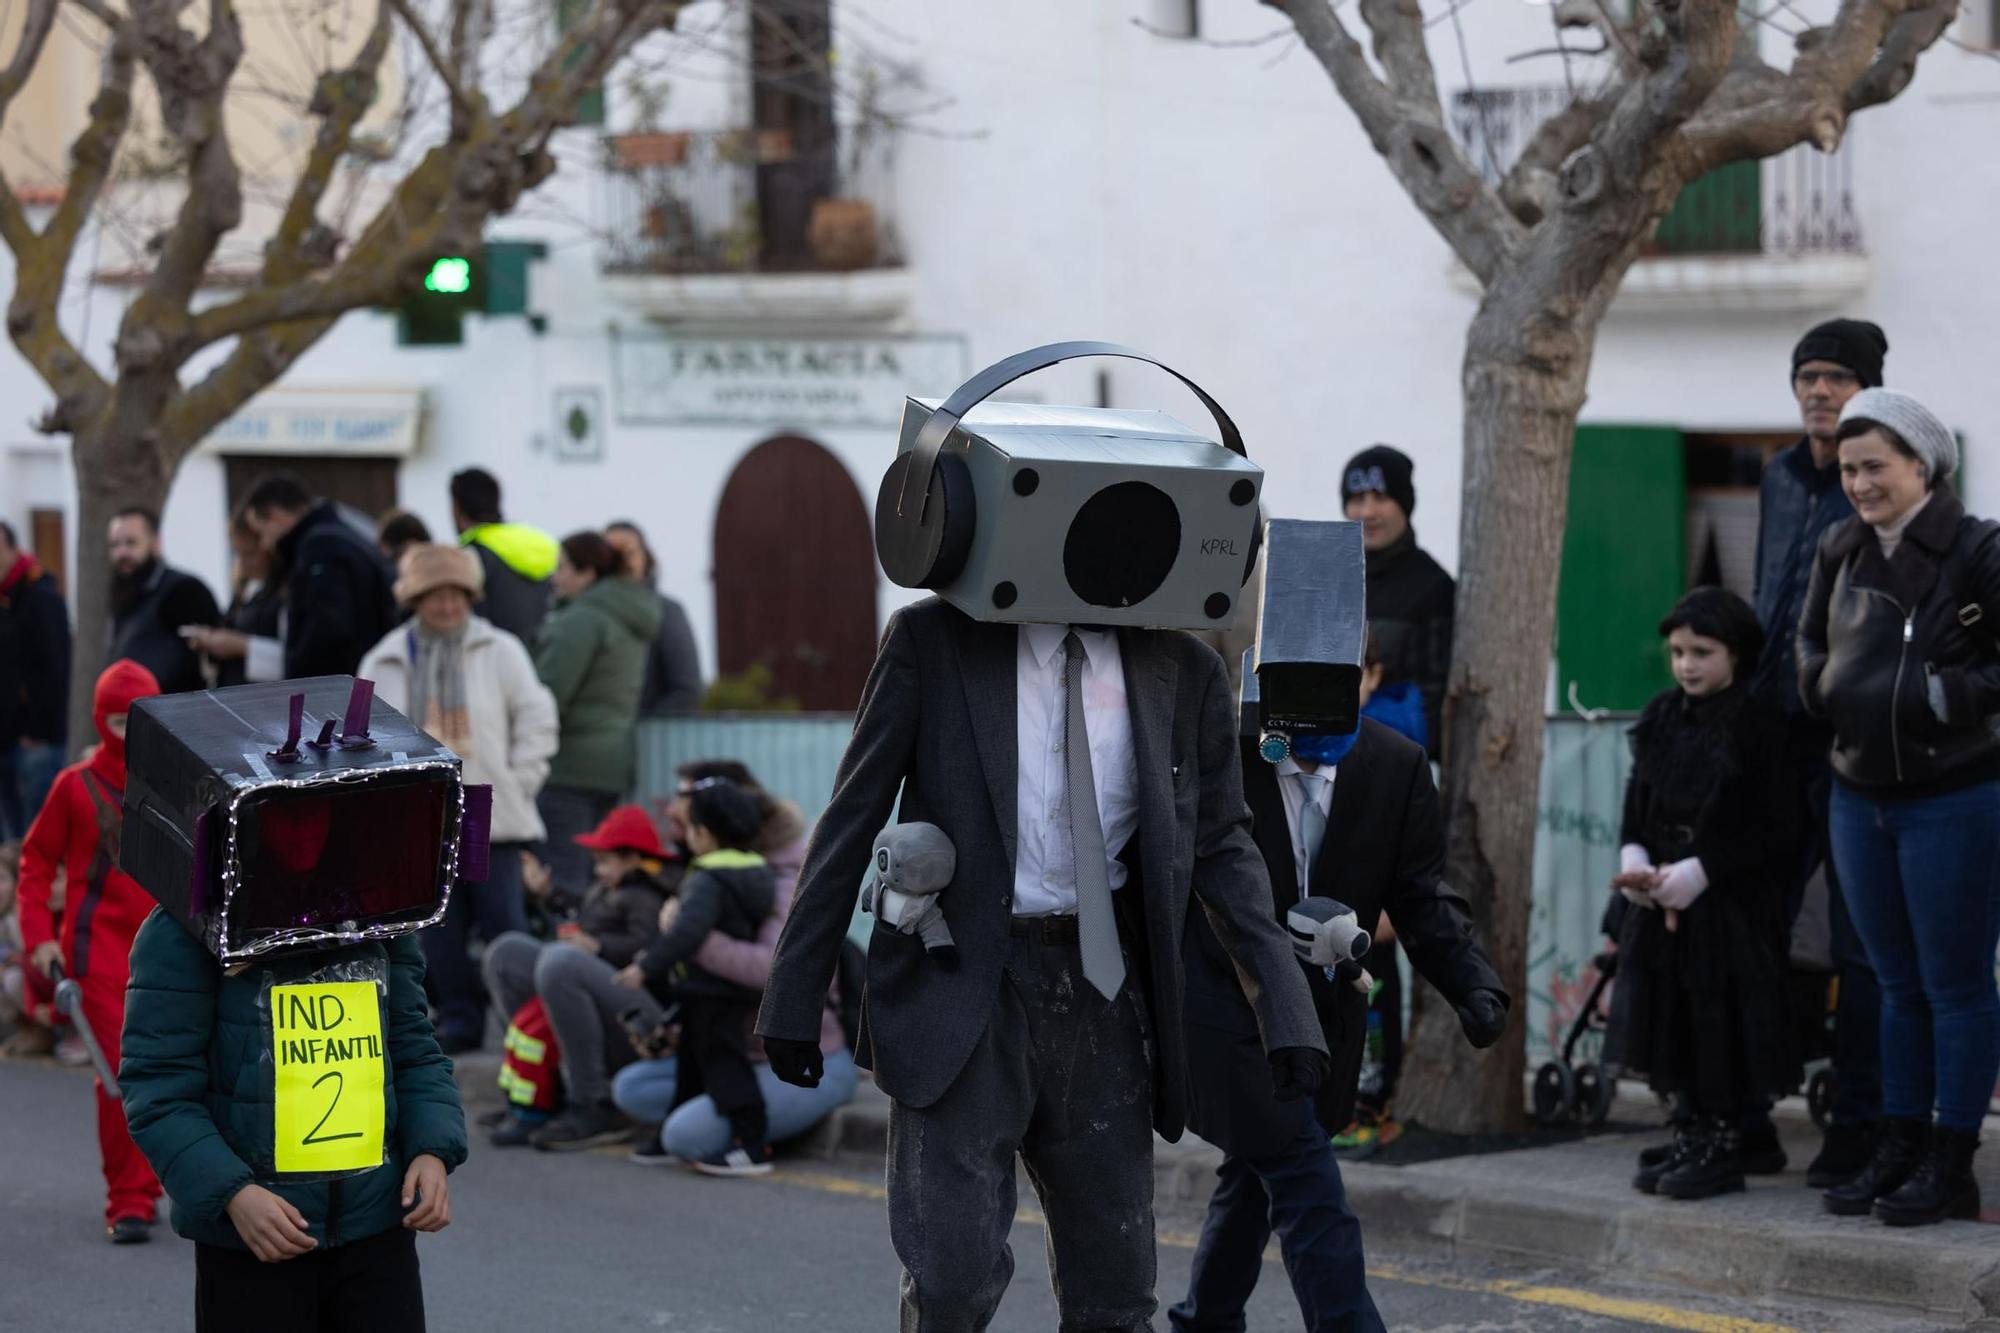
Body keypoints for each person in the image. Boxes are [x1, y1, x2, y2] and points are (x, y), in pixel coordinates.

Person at [756, 601, 1326, 1330]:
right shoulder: (935, 639)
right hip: (957, 983)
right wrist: (796, 995)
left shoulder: (1183, 667)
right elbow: (852, 811)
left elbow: (1222, 845)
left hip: (1102, 989)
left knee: (1116, 1294)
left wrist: (1285, 1008)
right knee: (951, 1282)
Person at [1173, 631, 1506, 1332]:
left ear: (1369, 676)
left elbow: (1419, 892)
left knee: (1256, 1180)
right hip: (1228, 1010)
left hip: (1324, 1017)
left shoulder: (1397, 763)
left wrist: (1472, 982)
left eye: (1338, 677)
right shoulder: (1224, 753)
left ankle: (1204, 1320)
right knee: (1304, 1177)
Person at [1799, 388, 2000, 1228]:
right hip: (1858, 793)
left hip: (1953, 792)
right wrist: (1823, 687)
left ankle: (1952, 1159)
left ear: (1922, 463)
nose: (1858, 482)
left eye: (1874, 465)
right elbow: (1808, 642)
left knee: (1953, 985)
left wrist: (1940, 698)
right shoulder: (1838, 546)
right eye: (1847, 467)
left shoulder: (1980, 548)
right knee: (1888, 982)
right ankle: (1899, 1141)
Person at [1750, 316, 1889, 1190]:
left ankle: (1864, 1123)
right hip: (1767, 737)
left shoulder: (1875, 487)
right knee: (1755, 925)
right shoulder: (1776, 476)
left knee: (1859, 940)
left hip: (1847, 743)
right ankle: (1745, 1109)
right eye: (1807, 375)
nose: (1817, 390)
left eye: (1836, 376)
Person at [1607, 589, 1799, 1201]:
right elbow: (1639, 800)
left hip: (1729, 903)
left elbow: (1781, 826)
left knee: (1719, 1019)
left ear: (1736, 655)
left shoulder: (1758, 723)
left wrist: (1703, 871)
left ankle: (1724, 1135)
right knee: (1673, 1014)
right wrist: (1635, 859)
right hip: (1664, 895)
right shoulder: (1663, 715)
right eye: (1679, 651)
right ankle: (1695, 1123)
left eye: (1703, 652)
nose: (1687, 664)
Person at [360, 545, 560, 1054]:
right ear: (415, 599)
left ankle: (530, 1025)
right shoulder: (384, 658)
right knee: (438, 933)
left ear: (470, 596)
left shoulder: (501, 649)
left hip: (491, 809)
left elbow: (537, 717)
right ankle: (460, 1021)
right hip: (420, 818)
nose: (447, 607)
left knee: (505, 924)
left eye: (455, 596)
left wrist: (521, 779)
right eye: (434, 597)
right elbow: (362, 734)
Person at [16, 660, 166, 1242]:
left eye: (140, 720)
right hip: (97, 953)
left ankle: (152, 1182)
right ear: (100, 720)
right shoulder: (73, 786)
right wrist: (39, 940)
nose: (128, 733)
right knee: (118, 1074)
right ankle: (127, 1197)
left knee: (170, 1071)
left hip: (166, 949)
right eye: (116, 721)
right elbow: (34, 865)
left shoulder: (178, 781)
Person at [612, 779, 777, 1174]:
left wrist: (645, 967)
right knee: (693, 1065)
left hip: (710, 989)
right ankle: (670, 1131)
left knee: (723, 1065)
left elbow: (687, 932)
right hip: (722, 989)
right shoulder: (756, 869)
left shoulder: (707, 877)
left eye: (690, 829)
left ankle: (751, 1144)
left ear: (704, 833)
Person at [483, 804, 670, 1150]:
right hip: (608, 1001)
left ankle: (593, 1103)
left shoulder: (647, 896)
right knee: (506, 953)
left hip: (644, 1019)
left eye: (604, 862)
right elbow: (584, 912)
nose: (597, 870)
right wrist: (545, 894)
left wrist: (598, 947)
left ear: (632, 859)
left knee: (561, 961)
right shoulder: (607, 890)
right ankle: (541, 1088)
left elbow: (651, 949)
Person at [532, 531, 661, 899]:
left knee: (565, 880)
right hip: (613, 763)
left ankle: (564, 949)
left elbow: (548, 698)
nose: (555, 578)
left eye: (563, 568)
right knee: (601, 874)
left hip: (568, 765)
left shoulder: (581, 620)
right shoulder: (629, 616)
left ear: (588, 573)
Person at [1340, 444, 1453, 757]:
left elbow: (1435, 695)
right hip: (1325, 755)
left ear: (1404, 504)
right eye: (1357, 499)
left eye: (1381, 497)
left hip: (1393, 756)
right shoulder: (1331, 578)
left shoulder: (1433, 586)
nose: (1367, 512)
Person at [239, 475, 397, 679]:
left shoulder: (319, 549)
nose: (265, 544)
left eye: (262, 532)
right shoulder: (341, 534)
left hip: (337, 691)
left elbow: (326, 632)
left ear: (276, 515)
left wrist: (302, 680)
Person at [0, 519, 70, 840]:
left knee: (35, 841)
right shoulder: (6, 599)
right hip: (8, 739)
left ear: (12, 548)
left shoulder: (40, 596)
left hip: (34, 743)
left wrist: (38, 732)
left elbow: (55, 668)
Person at [105, 507, 220, 695]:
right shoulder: (125, 594)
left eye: (131, 543)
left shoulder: (185, 592)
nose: (122, 553)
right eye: (115, 545)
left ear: (156, 543)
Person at [605, 520, 704, 715]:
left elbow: (687, 690)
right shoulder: (586, 615)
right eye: (611, 555)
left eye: (630, 553)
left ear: (645, 557)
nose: (621, 563)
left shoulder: (667, 613)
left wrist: (644, 728)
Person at [450, 468, 557, 646]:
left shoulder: (471, 556)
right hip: (542, 656)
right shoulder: (541, 543)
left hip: (496, 661)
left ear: (456, 508)